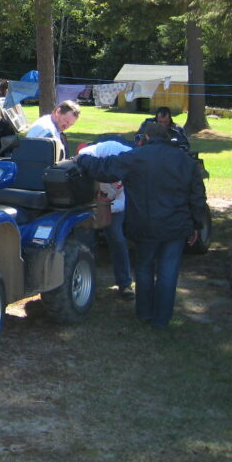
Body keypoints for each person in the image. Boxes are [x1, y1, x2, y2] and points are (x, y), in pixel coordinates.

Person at [76, 122, 208, 328]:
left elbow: (105, 169)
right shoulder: (185, 161)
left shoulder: (137, 157)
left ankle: (144, 313)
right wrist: (196, 225)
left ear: (145, 137)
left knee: (145, 267)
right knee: (168, 271)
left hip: (145, 224)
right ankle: (162, 319)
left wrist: (83, 157)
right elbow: (198, 197)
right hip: (176, 226)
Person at [78, 139, 134, 299]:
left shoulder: (132, 169)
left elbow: (123, 202)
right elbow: (83, 154)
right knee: (84, 242)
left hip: (112, 205)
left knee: (117, 239)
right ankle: (84, 282)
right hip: (89, 199)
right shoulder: (109, 148)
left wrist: (103, 208)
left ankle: (124, 284)